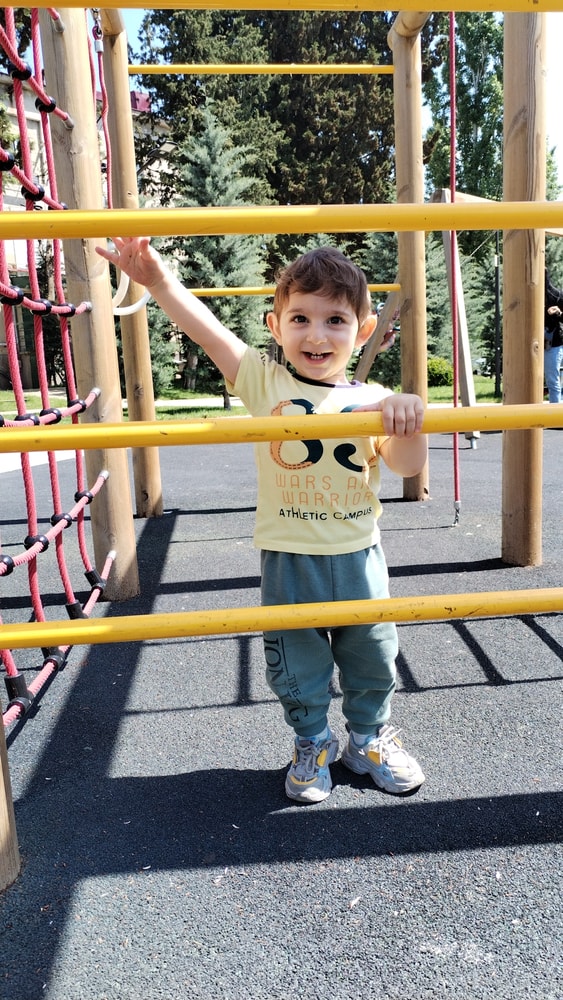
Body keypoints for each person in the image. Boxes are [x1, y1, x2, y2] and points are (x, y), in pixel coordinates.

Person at [96, 238, 428, 804]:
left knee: (373, 653)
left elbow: (406, 465)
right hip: (289, 556)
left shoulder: (375, 398)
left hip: (358, 555)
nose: (316, 335)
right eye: (300, 319)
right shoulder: (265, 382)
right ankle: (312, 740)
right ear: (276, 327)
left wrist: (407, 418)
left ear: (364, 330)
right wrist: (159, 282)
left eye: (335, 320)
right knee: (295, 659)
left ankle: (368, 738)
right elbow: (207, 332)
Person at [544, 270, 563, 404]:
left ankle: (555, 412)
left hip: (552, 343)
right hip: (530, 342)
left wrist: (558, 313)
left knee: (552, 381)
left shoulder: (555, 295)